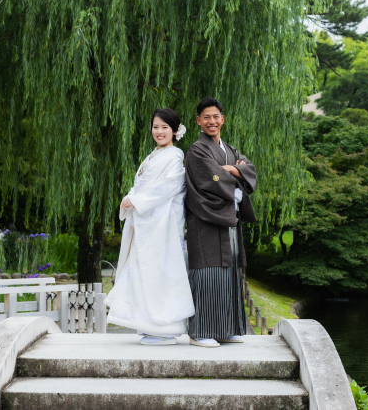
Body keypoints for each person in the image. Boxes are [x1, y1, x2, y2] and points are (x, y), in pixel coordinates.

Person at [105, 108, 195, 345]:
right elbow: (142, 185)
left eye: (165, 127)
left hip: (162, 225)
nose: (159, 131)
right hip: (148, 222)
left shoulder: (175, 156)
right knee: (144, 271)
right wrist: (131, 197)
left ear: (175, 131)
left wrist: (137, 200)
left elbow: (170, 186)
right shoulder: (154, 155)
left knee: (161, 272)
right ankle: (149, 324)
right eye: (156, 127)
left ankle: (166, 327)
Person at [184, 97, 257, 348]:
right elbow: (209, 178)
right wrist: (235, 182)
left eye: (216, 116)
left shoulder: (231, 149)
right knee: (207, 273)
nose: (212, 121)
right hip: (206, 220)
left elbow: (250, 169)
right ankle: (200, 331)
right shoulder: (197, 150)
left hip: (228, 221)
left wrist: (233, 170)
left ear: (222, 119)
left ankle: (225, 329)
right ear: (198, 121)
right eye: (206, 117)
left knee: (229, 273)